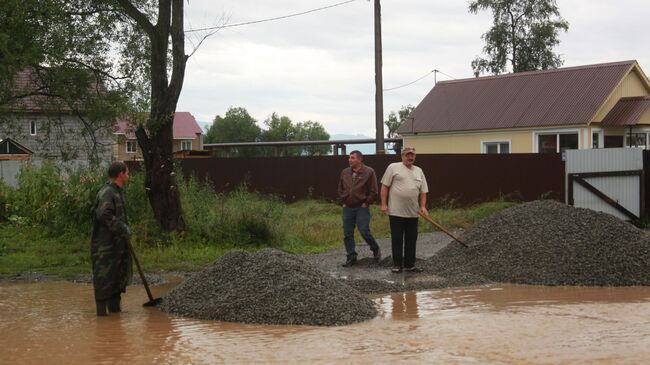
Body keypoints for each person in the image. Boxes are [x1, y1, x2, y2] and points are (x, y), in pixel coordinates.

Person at [90, 161, 133, 316]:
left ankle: (115, 322)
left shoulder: (117, 191)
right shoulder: (107, 192)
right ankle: (101, 323)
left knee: (116, 285)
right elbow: (103, 215)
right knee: (103, 284)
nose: (128, 176)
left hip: (117, 248)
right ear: (120, 174)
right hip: (105, 249)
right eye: (127, 173)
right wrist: (122, 228)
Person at [380, 147, 429, 273]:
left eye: (412, 155)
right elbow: (385, 186)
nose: (410, 157)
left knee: (411, 239)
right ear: (402, 156)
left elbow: (423, 192)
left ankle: (409, 265)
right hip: (396, 211)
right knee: (397, 239)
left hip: (413, 213)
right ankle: (397, 265)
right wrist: (384, 204)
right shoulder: (393, 167)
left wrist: (423, 206)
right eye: (407, 155)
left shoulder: (419, 171)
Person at [337, 150, 381, 267]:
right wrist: (343, 202)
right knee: (347, 233)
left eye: (352, 158)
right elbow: (340, 188)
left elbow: (374, 191)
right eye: (349, 158)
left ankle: (375, 248)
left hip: (361, 206)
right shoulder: (345, 172)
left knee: (364, 230)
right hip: (348, 207)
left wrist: (366, 203)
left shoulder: (369, 171)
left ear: (360, 159)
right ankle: (351, 257)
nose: (349, 160)